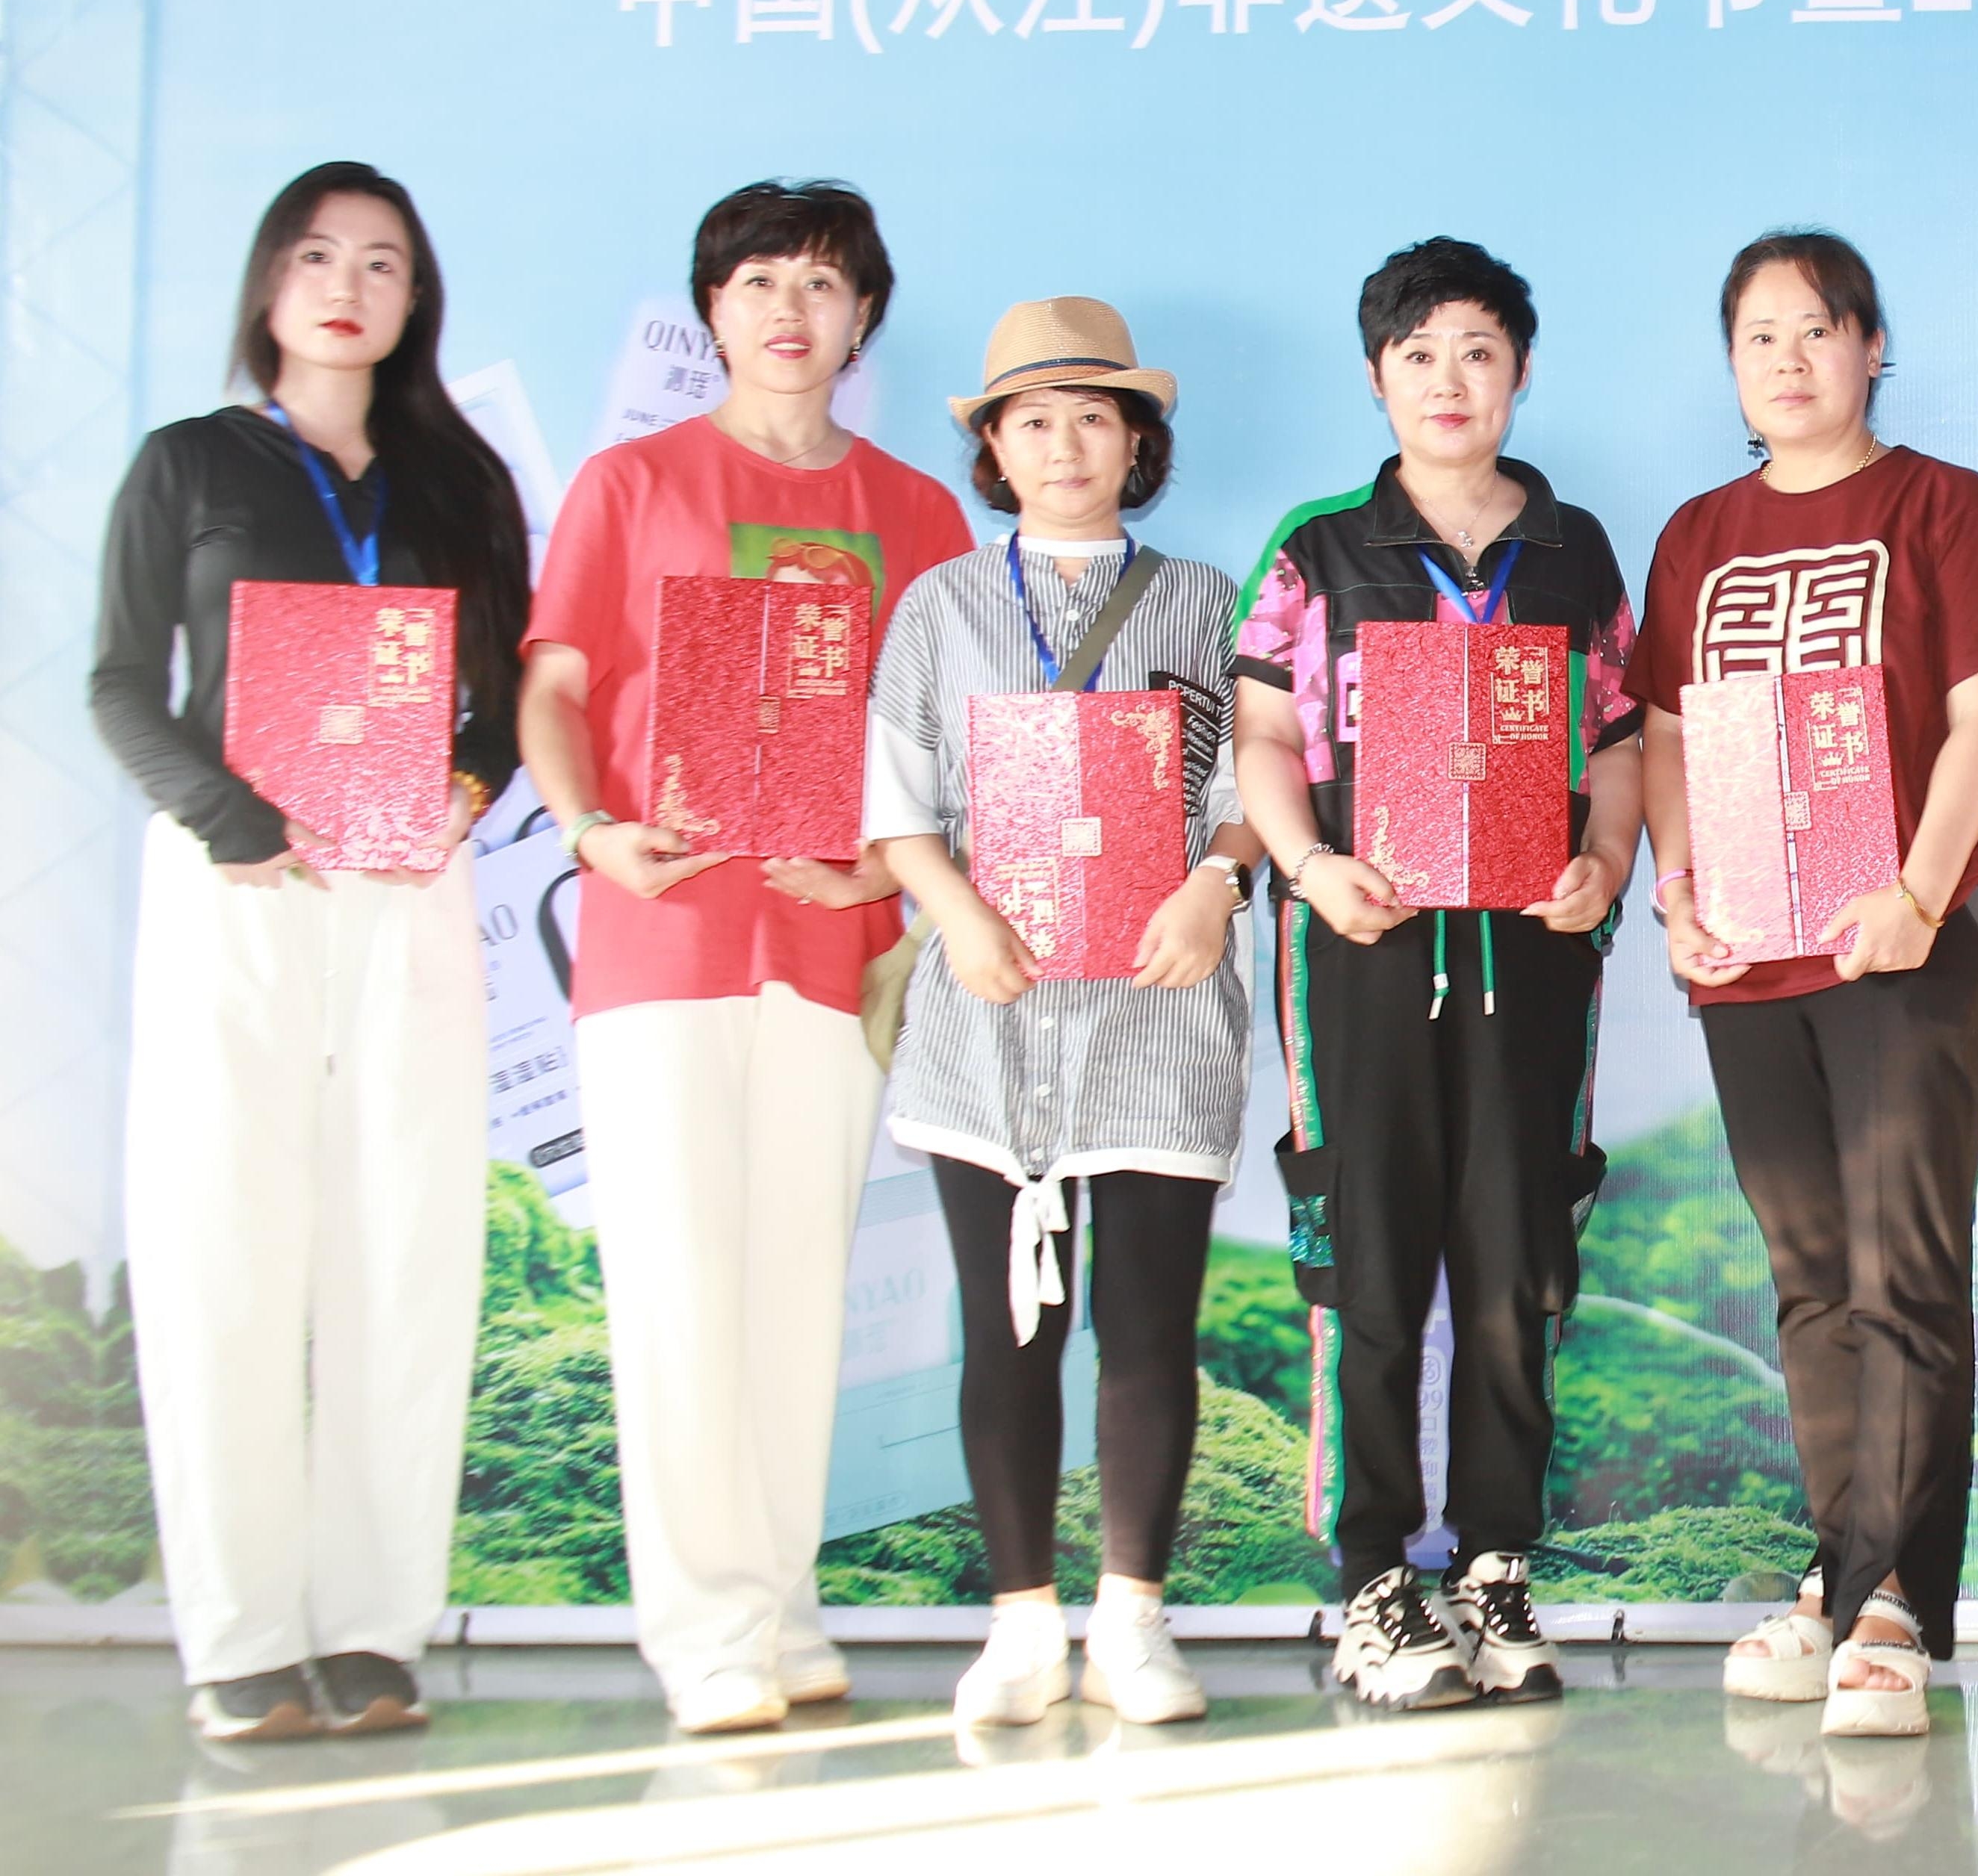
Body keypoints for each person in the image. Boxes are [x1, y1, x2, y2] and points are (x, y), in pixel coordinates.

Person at [520, 179, 970, 1737]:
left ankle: (777, 1606)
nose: (792, 309)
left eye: (825, 283)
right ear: (712, 309)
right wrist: (591, 831)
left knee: (794, 1293)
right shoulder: (631, 483)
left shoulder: (917, 512)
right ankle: (704, 1633)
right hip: (665, 936)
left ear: (865, 318)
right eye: (761, 280)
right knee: (679, 1293)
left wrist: (884, 869)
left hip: (833, 945)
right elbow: (555, 689)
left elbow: (943, 740)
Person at [90, 164, 531, 1743]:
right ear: (270, 283)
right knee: (222, 1241)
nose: (349, 286)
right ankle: (240, 1639)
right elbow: (120, 682)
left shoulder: (459, 480)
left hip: (406, 885)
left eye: (384, 263)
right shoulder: (191, 463)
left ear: (418, 299)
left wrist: (465, 792)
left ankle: (369, 1626)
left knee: (406, 1243)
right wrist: (228, 816)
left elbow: (501, 699)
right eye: (318, 255)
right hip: (240, 884)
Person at [1233, 239, 1640, 1712]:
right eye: (1419, 354)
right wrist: (1308, 865)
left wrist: (1607, 860)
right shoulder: (1321, 547)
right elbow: (1263, 736)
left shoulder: (1576, 550)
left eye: (1478, 350)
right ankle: (1373, 1582)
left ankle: (1494, 1566)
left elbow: (1620, 738)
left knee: (1520, 1263)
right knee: (1369, 1261)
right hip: (1364, 950)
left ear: (1519, 372)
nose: (1450, 379)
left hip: (1532, 959)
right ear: (1377, 377)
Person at [1634, 230, 1978, 1742]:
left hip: (1911, 940)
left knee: (1903, 1268)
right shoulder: (1699, 534)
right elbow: (1670, 735)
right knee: (1810, 1279)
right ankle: (1840, 1567)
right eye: (1760, 336)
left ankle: (1896, 1601)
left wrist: (1921, 895)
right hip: (1754, 954)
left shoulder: (1945, 507)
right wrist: (1679, 892)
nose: (1789, 360)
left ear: (1871, 346)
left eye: (1817, 329)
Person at [861, 300, 1264, 1729]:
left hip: (1159, 1008)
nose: (1066, 445)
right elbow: (897, 807)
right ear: (994, 447)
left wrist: (1217, 883)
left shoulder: (1207, 602)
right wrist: (960, 916)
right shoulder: (939, 608)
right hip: (993, 1012)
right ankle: (1023, 1627)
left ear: (1139, 443)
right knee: (1006, 1334)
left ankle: (1134, 1623)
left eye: (1096, 417)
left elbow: (1254, 788)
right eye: (1033, 420)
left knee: (1150, 1329)